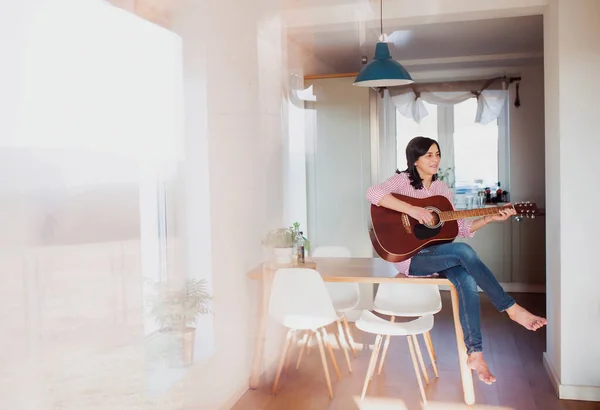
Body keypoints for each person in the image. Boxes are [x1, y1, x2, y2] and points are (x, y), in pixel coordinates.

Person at [366, 136, 547, 385]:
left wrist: (491, 218)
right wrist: (413, 210)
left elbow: (459, 228)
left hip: (439, 254)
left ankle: (475, 354)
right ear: (414, 159)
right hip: (412, 258)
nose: (435, 159)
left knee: (465, 277)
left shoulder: (442, 191)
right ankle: (511, 308)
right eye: (429, 155)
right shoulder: (402, 181)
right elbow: (373, 192)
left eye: (437, 154)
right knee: (462, 252)